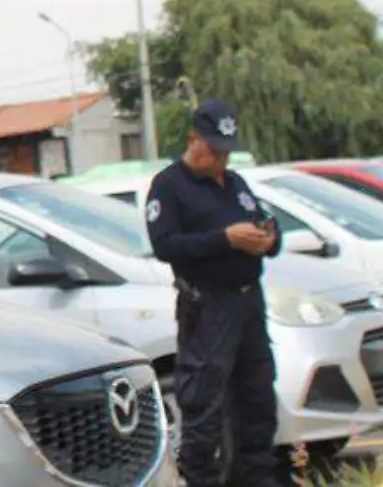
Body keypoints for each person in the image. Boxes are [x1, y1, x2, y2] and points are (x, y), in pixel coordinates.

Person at [144, 99, 283, 487]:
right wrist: (225, 239)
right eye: (215, 151)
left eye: (226, 152)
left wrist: (267, 238)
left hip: (248, 302)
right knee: (204, 406)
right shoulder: (171, 185)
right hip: (208, 307)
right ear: (194, 140)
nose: (221, 159)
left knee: (257, 399)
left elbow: (265, 223)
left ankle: (257, 479)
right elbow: (166, 245)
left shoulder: (235, 183)